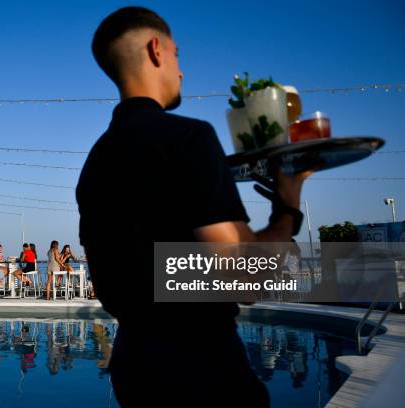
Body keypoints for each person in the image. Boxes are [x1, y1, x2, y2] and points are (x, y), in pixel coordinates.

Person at [76, 7, 312, 407]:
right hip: (203, 372)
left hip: (134, 369)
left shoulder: (94, 163)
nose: (182, 71)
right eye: (178, 54)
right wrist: (287, 208)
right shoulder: (189, 138)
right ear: (156, 50)